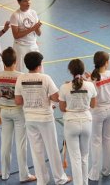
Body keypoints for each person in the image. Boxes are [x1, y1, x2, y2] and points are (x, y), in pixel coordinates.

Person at [15, 51, 71, 185]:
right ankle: (60, 178)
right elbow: (56, 98)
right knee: (52, 149)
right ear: (40, 65)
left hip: (29, 118)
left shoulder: (20, 79)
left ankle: (42, 180)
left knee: (36, 151)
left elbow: (18, 100)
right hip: (45, 118)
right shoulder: (45, 78)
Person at [0, 47, 36, 182]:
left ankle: (5, 173)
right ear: (16, 61)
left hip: (4, 111)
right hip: (18, 111)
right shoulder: (20, 76)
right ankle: (24, 175)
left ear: (2, 61)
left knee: (5, 143)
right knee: (21, 144)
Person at [59, 59, 97, 185]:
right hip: (86, 121)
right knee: (84, 156)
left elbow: (62, 108)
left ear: (70, 71)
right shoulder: (90, 85)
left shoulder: (64, 87)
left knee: (75, 158)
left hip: (71, 123)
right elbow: (93, 104)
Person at [88, 51, 110, 181]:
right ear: (106, 62)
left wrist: (88, 80)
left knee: (96, 142)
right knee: (108, 140)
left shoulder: (91, 79)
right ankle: (107, 170)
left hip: (97, 111)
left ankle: (94, 173)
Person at [10, 0, 42, 71]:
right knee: (18, 71)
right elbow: (16, 35)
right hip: (20, 46)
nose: (28, 3)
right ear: (19, 2)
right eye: (25, 1)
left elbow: (39, 33)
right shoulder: (15, 15)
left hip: (33, 45)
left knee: (39, 70)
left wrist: (37, 28)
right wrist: (32, 29)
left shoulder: (33, 13)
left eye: (29, 0)